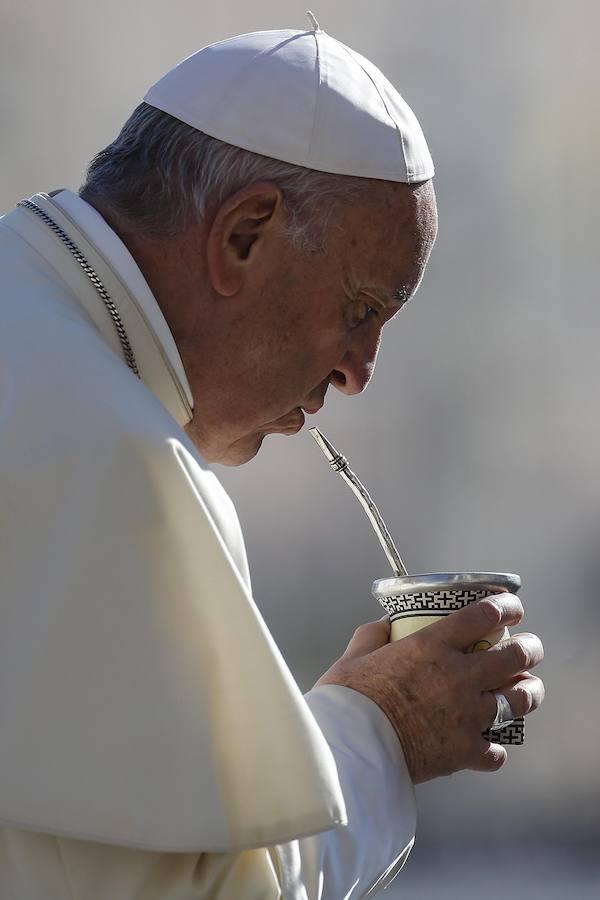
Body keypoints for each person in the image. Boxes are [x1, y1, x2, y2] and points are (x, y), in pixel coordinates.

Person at [0, 15, 544, 900]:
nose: (357, 373)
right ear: (244, 235)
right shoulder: (119, 462)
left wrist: (291, 739)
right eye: (362, 309)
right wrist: (385, 733)